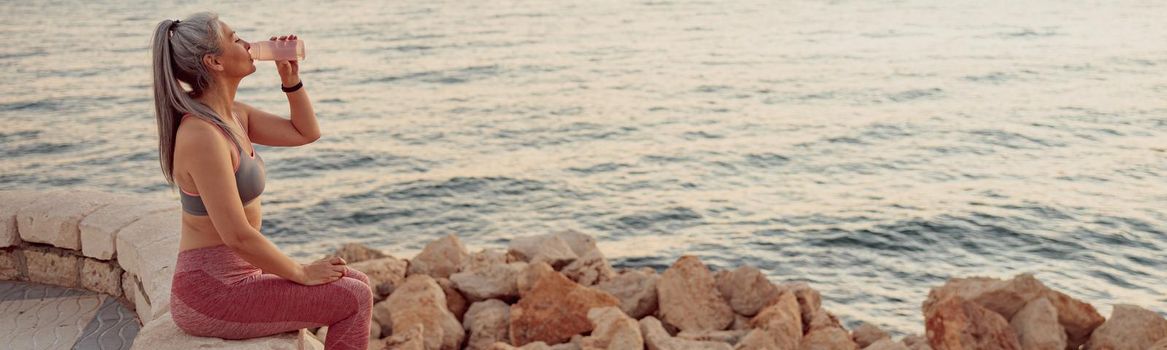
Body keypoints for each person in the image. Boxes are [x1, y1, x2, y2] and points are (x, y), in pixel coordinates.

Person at [150, 12, 372, 350]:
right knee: (353, 297)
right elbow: (237, 235)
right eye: (236, 38)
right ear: (214, 61)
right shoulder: (202, 135)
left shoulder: (233, 114)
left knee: (358, 280)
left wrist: (291, 80)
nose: (248, 44)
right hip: (211, 293)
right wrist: (299, 271)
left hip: (240, 277)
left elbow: (305, 132)